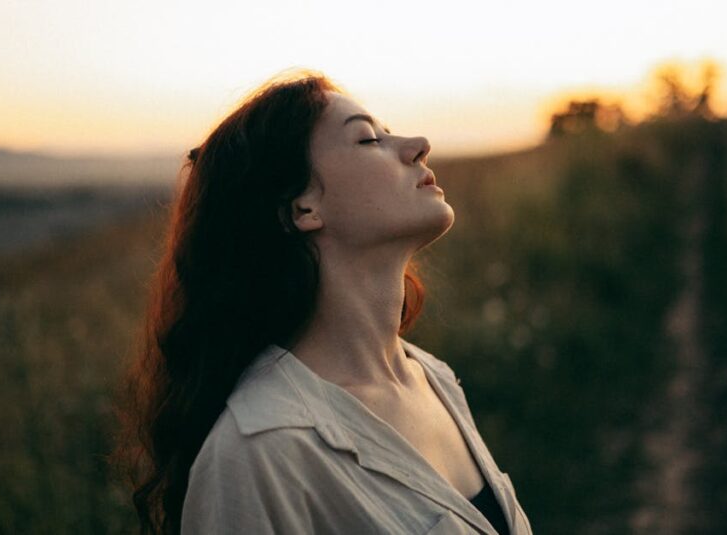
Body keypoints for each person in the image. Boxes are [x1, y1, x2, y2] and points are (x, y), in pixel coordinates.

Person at [116, 69, 533, 534]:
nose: (418, 144)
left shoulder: (432, 378)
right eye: (369, 140)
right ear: (302, 208)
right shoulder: (261, 450)